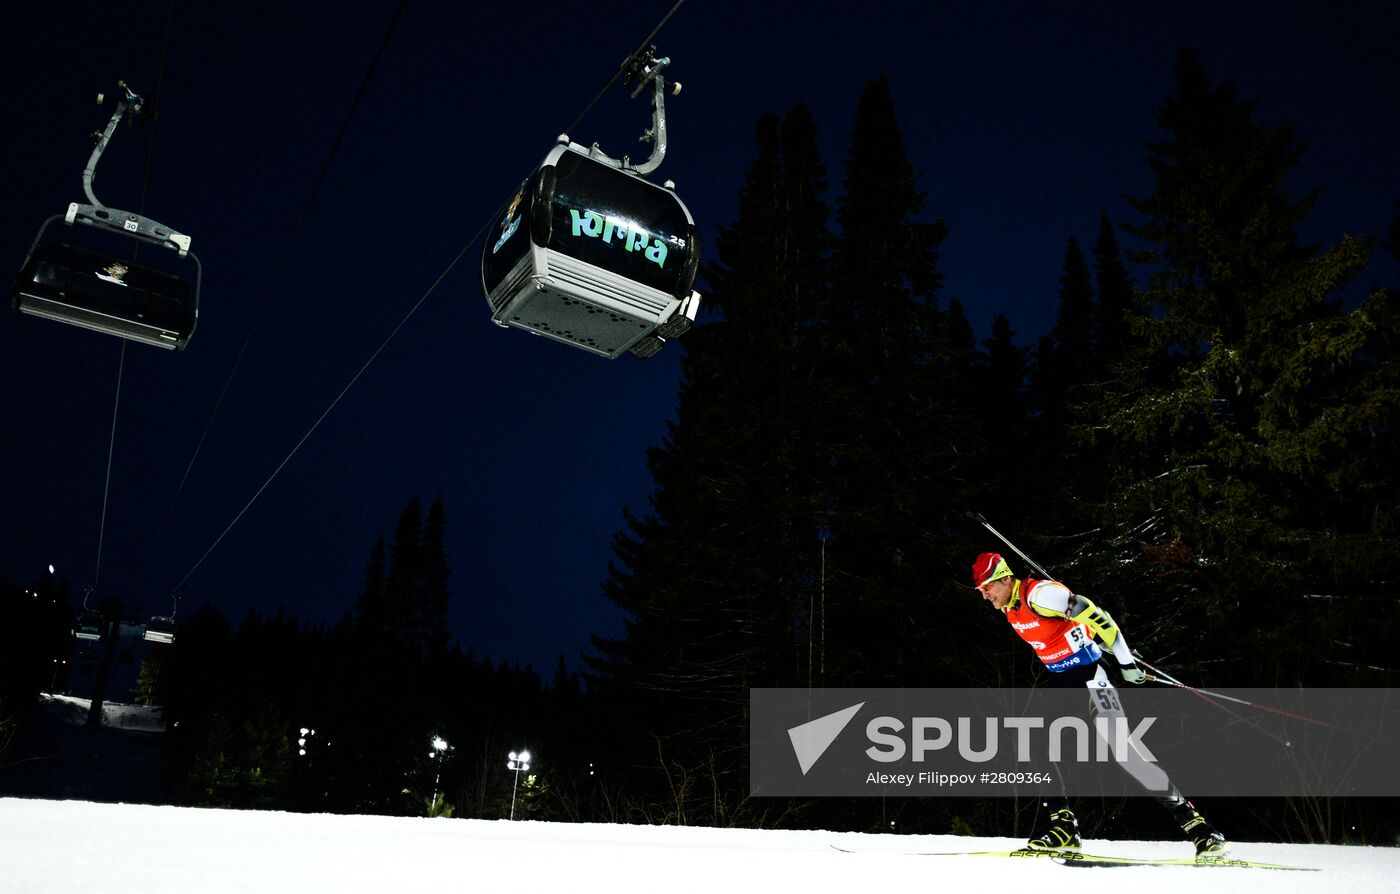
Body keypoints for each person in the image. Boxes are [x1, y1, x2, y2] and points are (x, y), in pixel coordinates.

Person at [971, 551, 1229, 859]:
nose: (985, 595)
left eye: (988, 587)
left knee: (1126, 754)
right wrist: (1091, 637)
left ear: (1005, 578)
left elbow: (1101, 618)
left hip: (1093, 681)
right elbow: (1076, 631)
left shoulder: (1040, 595)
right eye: (980, 590)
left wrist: (1126, 663)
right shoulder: (1009, 606)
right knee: (1031, 737)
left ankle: (1201, 830)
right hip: (1064, 685)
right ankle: (1064, 829)